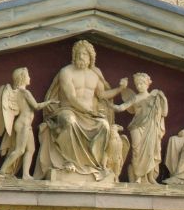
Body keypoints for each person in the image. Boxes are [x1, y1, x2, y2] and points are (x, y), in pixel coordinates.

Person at [38, 39, 127, 183]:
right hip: (68, 110)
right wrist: (88, 111)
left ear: (91, 57)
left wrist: (120, 89)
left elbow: (102, 95)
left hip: (89, 115)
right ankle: (68, 161)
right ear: (74, 56)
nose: (81, 57)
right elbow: (71, 97)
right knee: (69, 121)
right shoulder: (66, 72)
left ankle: (94, 165)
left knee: (104, 125)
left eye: (85, 54)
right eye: (79, 54)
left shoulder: (95, 74)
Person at [115, 72, 168, 184]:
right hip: (136, 127)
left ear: (147, 84)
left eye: (141, 83)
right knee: (137, 152)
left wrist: (164, 99)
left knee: (150, 152)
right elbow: (122, 107)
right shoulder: (135, 98)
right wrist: (110, 105)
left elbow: (164, 113)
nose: (139, 86)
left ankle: (150, 177)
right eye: (137, 84)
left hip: (151, 127)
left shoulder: (155, 98)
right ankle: (138, 177)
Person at [0, 68, 42, 179]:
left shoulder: (18, 92)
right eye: (28, 76)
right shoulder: (25, 92)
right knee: (20, 150)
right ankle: (2, 170)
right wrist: (50, 102)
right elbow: (36, 106)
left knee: (31, 149)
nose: (29, 78)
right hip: (23, 124)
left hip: (26, 125)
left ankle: (25, 174)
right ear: (22, 78)